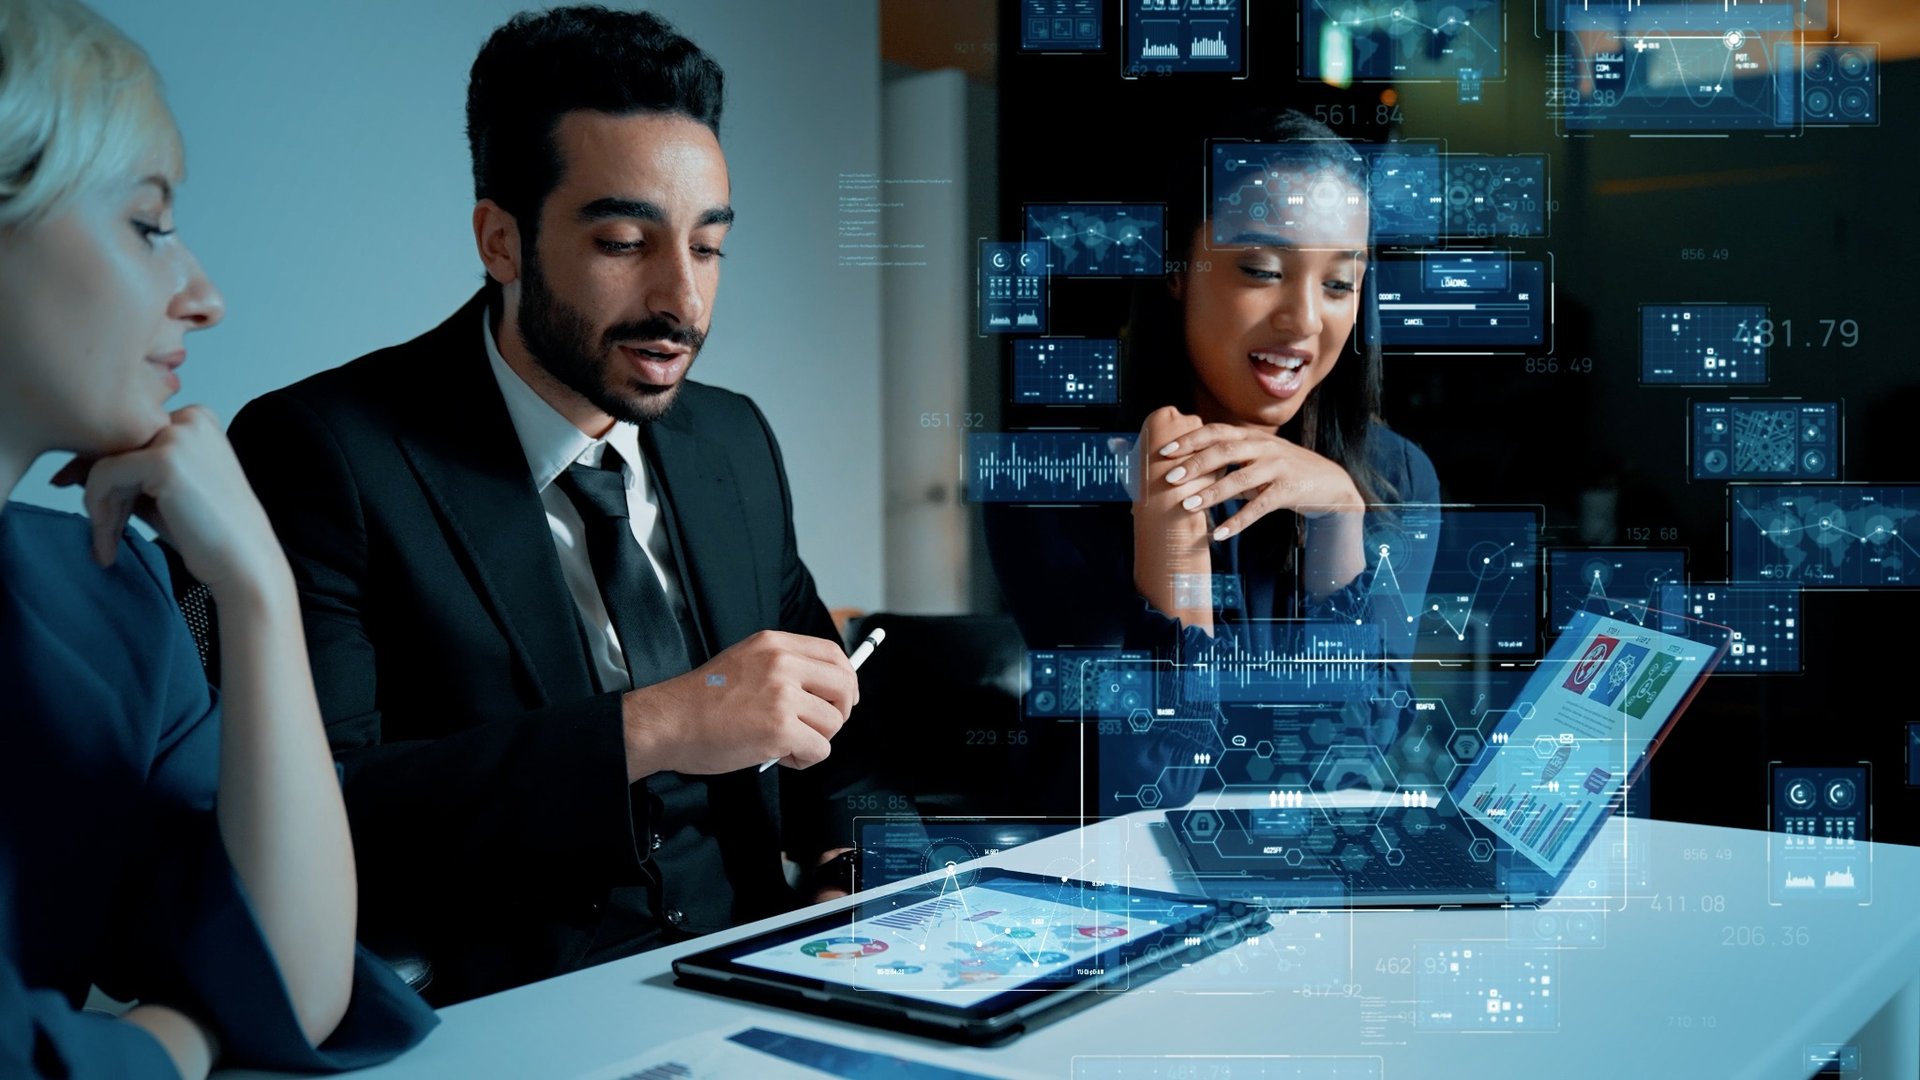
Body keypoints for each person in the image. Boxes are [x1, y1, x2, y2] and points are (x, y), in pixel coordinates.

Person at [228, 5, 906, 1006]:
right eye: (627, 242)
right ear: (500, 241)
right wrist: (658, 726)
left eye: (708, 247)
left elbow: (837, 732)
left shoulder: (733, 442)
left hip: (763, 987)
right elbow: (319, 811)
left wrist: (865, 869)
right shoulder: (321, 453)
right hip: (511, 1013)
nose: (682, 300)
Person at [0, 1, 435, 1075]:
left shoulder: (105, 600)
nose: (205, 295)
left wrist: (257, 590)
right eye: (150, 226)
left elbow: (294, 986)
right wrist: (178, 1035)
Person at [987, 109, 1441, 811]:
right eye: (1262, 270)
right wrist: (1173, 538)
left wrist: (1338, 521)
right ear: (1175, 268)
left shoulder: (1392, 477)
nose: (1304, 322)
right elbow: (1143, 791)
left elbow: (1346, 768)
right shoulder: (1051, 483)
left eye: (1339, 284)